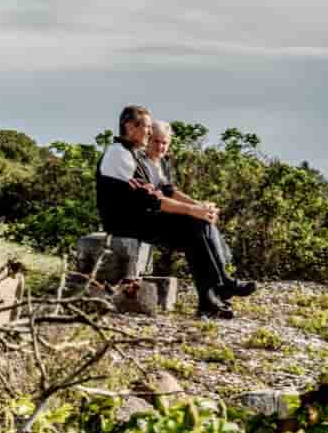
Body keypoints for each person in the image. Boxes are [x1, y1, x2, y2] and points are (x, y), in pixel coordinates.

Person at [96, 105, 236, 318]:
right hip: (126, 222)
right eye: (147, 127)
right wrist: (192, 210)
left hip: (142, 217)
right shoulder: (118, 154)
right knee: (193, 224)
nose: (150, 132)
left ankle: (211, 299)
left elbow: (163, 192)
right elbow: (150, 199)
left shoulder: (135, 155)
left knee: (197, 227)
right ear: (130, 127)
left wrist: (197, 209)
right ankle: (219, 288)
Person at [139, 120, 255, 299]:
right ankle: (222, 285)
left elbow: (171, 191)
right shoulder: (140, 162)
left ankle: (216, 292)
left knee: (201, 224)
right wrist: (193, 210)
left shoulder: (162, 163)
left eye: (164, 143)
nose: (160, 146)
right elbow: (157, 200)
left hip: (164, 214)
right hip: (146, 219)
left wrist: (199, 206)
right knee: (195, 227)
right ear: (147, 139)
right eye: (156, 141)